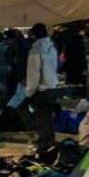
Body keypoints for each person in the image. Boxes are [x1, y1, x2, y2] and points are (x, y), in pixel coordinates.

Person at [26, 23, 59, 153]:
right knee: (49, 119)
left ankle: (44, 146)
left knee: (41, 119)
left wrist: (29, 92)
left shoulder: (35, 51)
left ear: (34, 34)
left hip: (40, 90)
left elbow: (33, 73)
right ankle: (51, 143)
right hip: (52, 87)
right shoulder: (52, 48)